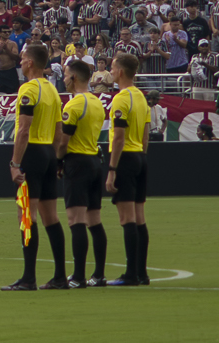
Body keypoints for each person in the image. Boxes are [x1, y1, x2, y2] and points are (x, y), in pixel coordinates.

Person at [5, 41, 66, 290]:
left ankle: (28, 277)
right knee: (51, 216)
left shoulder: (28, 89)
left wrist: (15, 163)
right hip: (49, 154)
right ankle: (60, 276)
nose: (20, 62)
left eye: (22, 59)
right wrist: (56, 158)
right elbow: (59, 130)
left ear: (30, 62)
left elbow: (23, 130)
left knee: (26, 216)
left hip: (31, 153)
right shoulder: (52, 90)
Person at [55, 58, 108, 287]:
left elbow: (64, 142)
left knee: (75, 220)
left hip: (77, 163)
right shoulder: (97, 102)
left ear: (74, 77)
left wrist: (58, 162)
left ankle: (78, 277)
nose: (64, 79)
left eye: (66, 75)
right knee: (94, 220)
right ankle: (98, 274)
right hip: (95, 162)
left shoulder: (74, 105)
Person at [104, 53, 151, 286]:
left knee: (127, 219)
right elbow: (145, 133)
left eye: (113, 67)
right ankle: (142, 273)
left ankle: (130, 274)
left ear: (121, 71)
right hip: (140, 158)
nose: (111, 71)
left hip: (125, 159)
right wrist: (141, 158)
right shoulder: (141, 97)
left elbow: (119, 138)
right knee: (140, 218)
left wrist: (112, 168)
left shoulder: (121, 99)